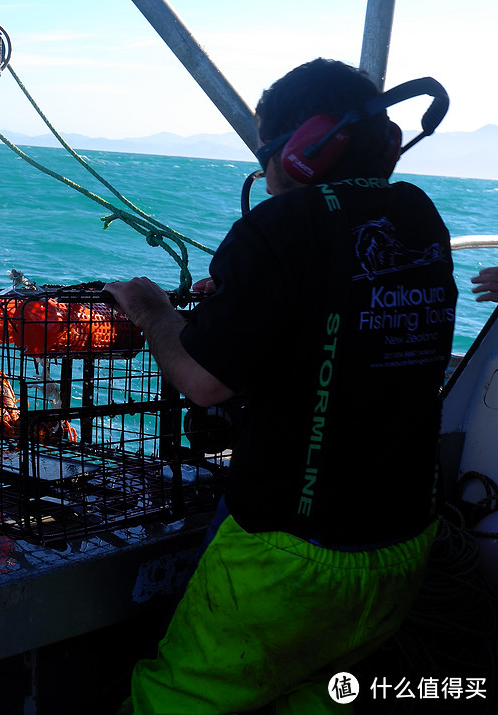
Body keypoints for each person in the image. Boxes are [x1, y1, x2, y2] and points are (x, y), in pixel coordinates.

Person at [106, 58, 457, 714]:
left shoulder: (279, 227)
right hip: (402, 544)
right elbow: (346, 320)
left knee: (174, 703)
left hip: (293, 557)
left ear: (307, 148)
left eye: (268, 150)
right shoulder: (418, 216)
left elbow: (205, 383)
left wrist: (155, 318)